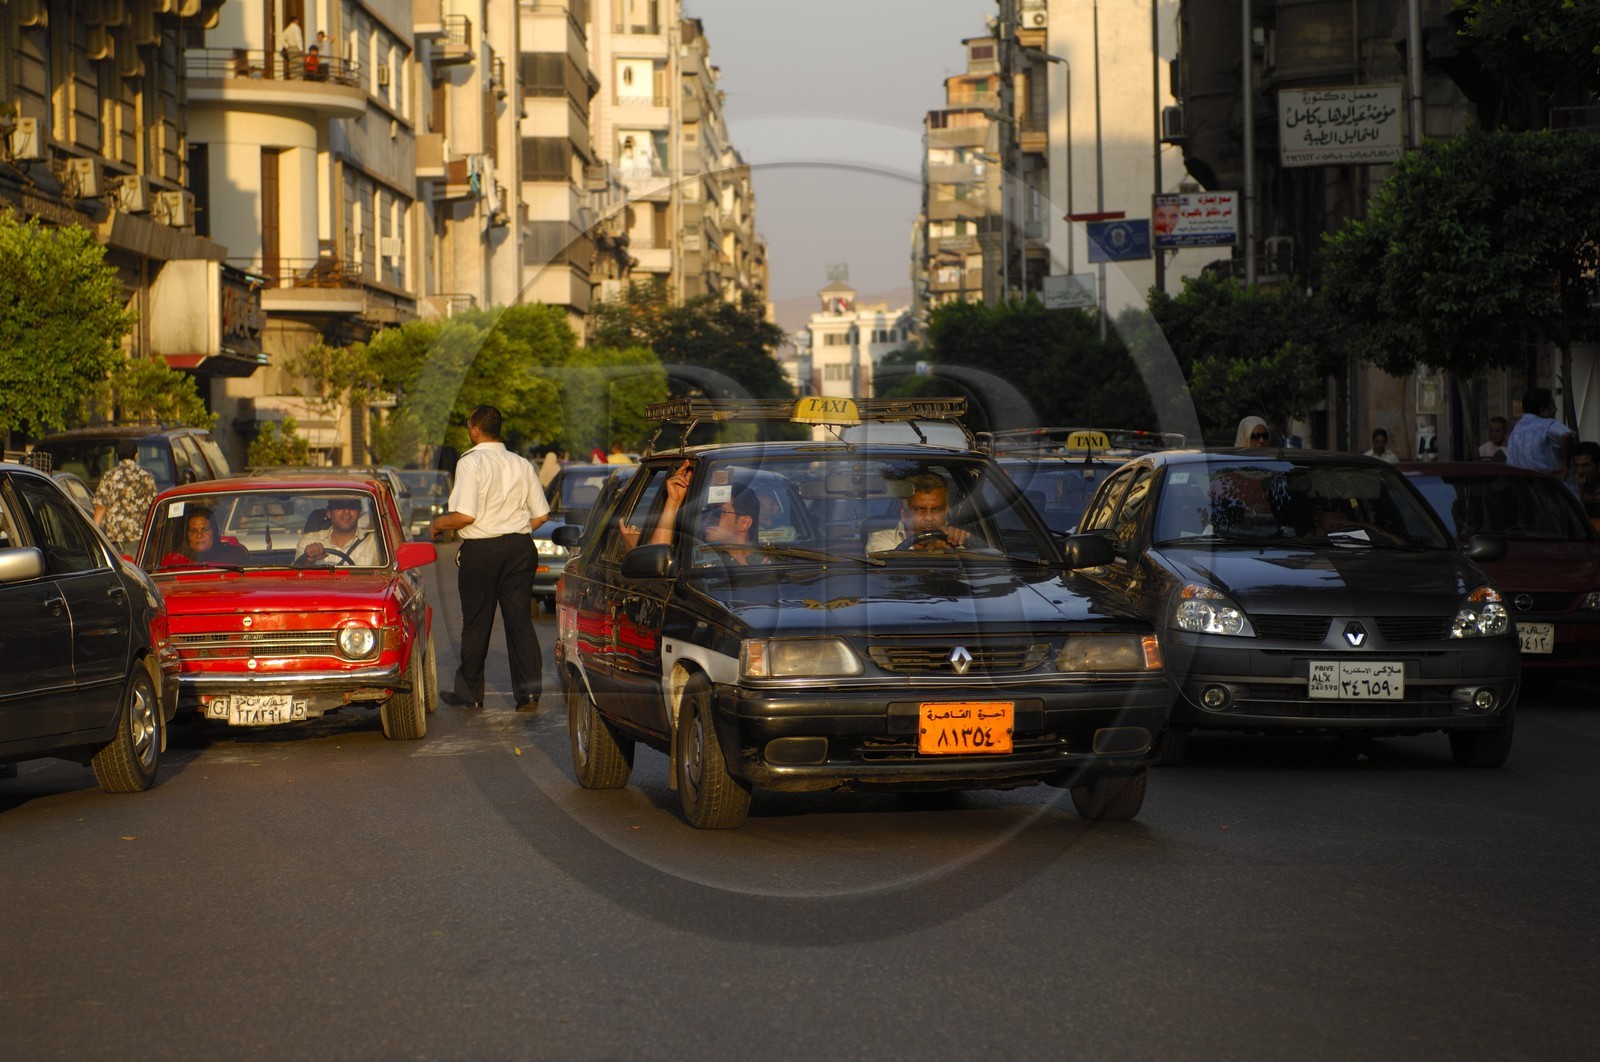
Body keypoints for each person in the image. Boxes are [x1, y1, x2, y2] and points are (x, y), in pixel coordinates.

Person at [429, 406, 550, 712]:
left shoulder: (471, 462)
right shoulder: (521, 463)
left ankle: (471, 693)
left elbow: (465, 515)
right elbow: (542, 514)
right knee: (520, 620)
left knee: (477, 622)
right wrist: (516, 530)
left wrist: (437, 524)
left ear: (475, 430)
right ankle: (529, 694)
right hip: (520, 548)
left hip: (482, 551)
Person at [638, 461, 769, 566]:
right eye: (708, 510)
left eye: (719, 512)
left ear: (744, 522)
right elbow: (657, 560)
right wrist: (673, 503)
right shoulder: (697, 559)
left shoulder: (770, 562)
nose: (710, 517)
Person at [865, 473, 971, 553]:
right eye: (920, 510)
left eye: (937, 509)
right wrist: (933, 551)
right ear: (903, 514)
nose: (929, 518)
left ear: (946, 511)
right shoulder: (882, 541)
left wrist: (949, 550)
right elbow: (893, 578)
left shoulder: (952, 544)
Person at [92, 438, 156, 555]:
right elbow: (153, 505)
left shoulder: (108, 476)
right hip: (139, 539)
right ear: (136, 455)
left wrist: (94, 537)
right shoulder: (145, 476)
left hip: (114, 541)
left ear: (116, 455)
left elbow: (100, 507)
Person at [1506, 387, 1576, 480]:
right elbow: (1567, 436)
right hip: (1552, 488)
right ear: (1543, 410)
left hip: (1524, 490)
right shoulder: (1547, 423)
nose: (1556, 409)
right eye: (1553, 405)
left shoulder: (1515, 432)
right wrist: (1566, 464)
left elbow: (1510, 464)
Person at [294, 496, 380, 567]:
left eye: (352, 505)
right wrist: (309, 561)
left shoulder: (375, 543)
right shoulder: (309, 541)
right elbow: (295, 580)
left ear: (359, 512)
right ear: (329, 512)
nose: (346, 512)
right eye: (340, 505)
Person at [180, 508, 248, 565]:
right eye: (193, 531)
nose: (199, 535)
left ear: (214, 533)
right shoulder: (178, 561)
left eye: (205, 530)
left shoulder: (234, 556)